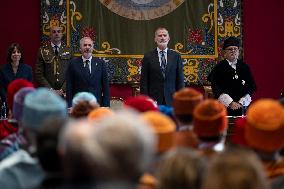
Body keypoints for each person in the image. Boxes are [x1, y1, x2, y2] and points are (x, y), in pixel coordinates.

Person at [208, 37, 256, 116]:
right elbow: (217, 89)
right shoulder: (219, 68)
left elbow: (251, 87)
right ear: (224, 53)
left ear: (238, 52)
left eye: (235, 49)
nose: (233, 51)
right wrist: (231, 103)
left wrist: (241, 102)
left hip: (243, 107)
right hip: (224, 107)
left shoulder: (245, 67)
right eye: (230, 49)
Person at [140, 27, 184, 106]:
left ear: (168, 38)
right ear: (155, 39)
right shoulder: (148, 57)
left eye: (165, 35)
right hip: (154, 99)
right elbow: (144, 82)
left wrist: (181, 99)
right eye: (159, 36)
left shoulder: (176, 56)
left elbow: (180, 80)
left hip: (172, 99)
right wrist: (146, 100)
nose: (162, 38)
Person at [66, 36, 110, 107]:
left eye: (89, 45)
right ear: (80, 48)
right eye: (85, 45)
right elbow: (69, 86)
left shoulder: (100, 63)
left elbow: (105, 87)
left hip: (96, 104)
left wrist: (106, 105)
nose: (87, 47)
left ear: (92, 48)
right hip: (79, 105)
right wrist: (69, 106)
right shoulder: (73, 63)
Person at [35, 25, 72, 97]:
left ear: (62, 34)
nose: (56, 34)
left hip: (65, 93)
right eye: (54, 32)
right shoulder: (42, 51)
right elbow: (39, 74)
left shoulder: (69, 50)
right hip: (48, 93)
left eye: (59, 32)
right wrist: (50, 89)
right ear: (50, 35)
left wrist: (62, 90)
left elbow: (71, 73)